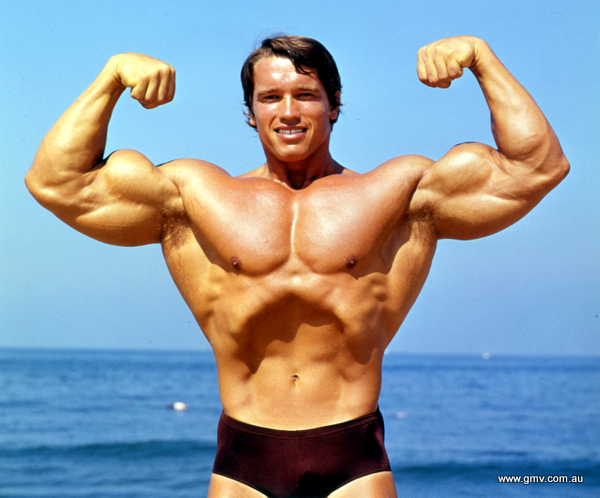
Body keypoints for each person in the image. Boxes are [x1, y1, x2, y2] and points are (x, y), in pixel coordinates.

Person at [25, 35, 569, 497]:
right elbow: (56, 182)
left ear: (334, 104)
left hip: (352, 454)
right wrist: (111, 78)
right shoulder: (195, 196)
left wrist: (481, 58)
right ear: (251, 111)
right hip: (245, 456)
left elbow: (538, 167)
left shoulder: (397, 194)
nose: (288, 111)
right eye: (271, 97)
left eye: (306, 95)